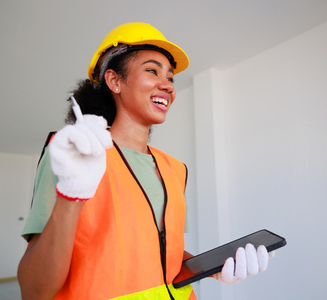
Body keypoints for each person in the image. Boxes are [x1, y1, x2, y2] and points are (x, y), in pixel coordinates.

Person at [18, 22, 271, 300]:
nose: (168, 86)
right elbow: (34, 291)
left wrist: (214, 268)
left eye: (171, 78)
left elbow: (161, 254)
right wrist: (70, 198)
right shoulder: (72, 153)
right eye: (152, 71)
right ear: (114, 81)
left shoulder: (174, 169)